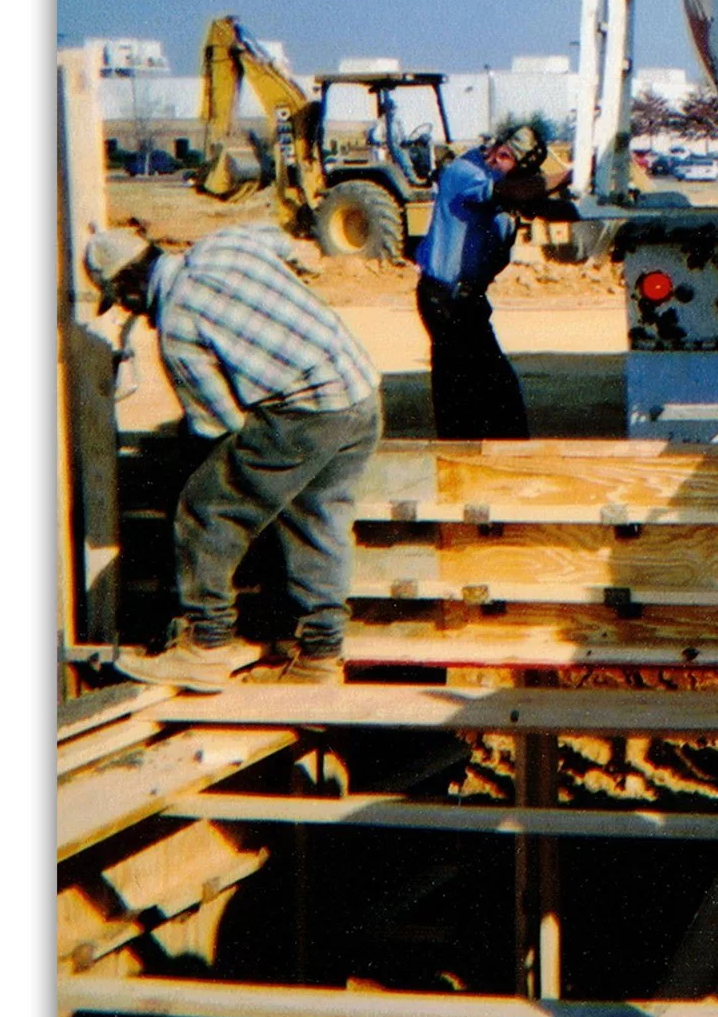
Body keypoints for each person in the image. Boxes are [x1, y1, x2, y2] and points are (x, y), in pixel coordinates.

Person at [88, 225, 383, 691]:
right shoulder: (223, 243)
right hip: (359, 392)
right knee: (315, 519)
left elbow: (220, 427)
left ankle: (205, 646)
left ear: (129, 286)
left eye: (121, 300)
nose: (127, 311)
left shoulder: (178, 328)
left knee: (206, 511)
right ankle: (319, 657)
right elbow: (279, 240)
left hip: (305, 411)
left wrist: (197, 477)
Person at [415, 126, 577, 438]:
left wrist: (593, 204)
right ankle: (459, 465)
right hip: (445, 299)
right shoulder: (464, 172)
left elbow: (540, 205)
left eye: (509, 160)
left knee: (497, 393)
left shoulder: (507, 184)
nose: (498, 162)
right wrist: (564, 177)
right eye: (500, 152)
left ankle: (499, 457)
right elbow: (510, 194)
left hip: (468, 301)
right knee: (463, 393)